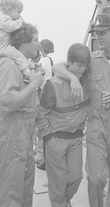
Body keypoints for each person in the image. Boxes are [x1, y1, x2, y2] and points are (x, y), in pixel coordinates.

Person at [52, 13, 110, 207]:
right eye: (96, 33)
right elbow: (58, 68)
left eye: (102, 33)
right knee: (96, 178)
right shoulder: (91, 61)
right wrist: (73, 79)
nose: (97, 37)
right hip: (96, 128)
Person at [0, 23, 44, 207]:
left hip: (23, 132)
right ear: (23, 43)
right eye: (35, 40)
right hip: (11, 132)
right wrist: (33, 85)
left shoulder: (23, 66)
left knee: (23, 188)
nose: (39, 44)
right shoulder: (8, 65)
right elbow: (6, 104)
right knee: (9, 191)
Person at [36, 43, 91, 207]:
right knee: (57, 181)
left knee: (76, 177)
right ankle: (60, 204)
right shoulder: (53, 85)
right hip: (55, 140)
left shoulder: (86, 81)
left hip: (75, 139)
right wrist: (48, 138)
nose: (82, 69)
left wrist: (76, 78)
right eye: (78, 65)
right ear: (69, 63)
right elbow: (41, 115)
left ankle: (65, 201)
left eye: (84, 66)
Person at [0, 0, 33, 82]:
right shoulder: (4, 19)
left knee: (17, 54)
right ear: (9, 10)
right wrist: (20, 22)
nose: (19, 15)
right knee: (17, 54)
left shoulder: (3, 19)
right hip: (1, 48)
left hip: (1, 47)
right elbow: (12, 26)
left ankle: (29, 64)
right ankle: (27, 73)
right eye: (18, 12)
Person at [35, 39, 62, 169]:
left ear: (42, 49)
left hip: (46, 96)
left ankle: (41, 156)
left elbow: (37, 79)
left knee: (42, 125)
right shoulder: (61, 59)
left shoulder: (43, 61)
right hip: (59, 96)